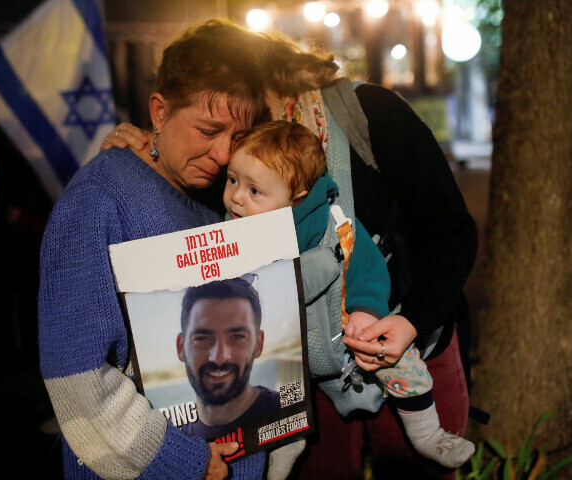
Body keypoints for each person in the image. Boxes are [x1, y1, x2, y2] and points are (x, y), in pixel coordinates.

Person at [103, 19, 477, 480]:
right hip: (303, 367)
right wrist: (143, 147)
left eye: (236, 116)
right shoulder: (229, 152)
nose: (225, 151)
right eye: (212, 123)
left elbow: (452, 231)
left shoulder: (366, 112)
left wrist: (410, 320)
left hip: (408, 333)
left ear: (262, 77)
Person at [37, 21, 274, 480]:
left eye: (238, 137)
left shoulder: (224, 195)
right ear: (160, 112)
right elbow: (77, 379)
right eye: (208, 130)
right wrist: (182, 461)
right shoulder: (97, 199)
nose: (224, 153)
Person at [224, 120, 474, 468]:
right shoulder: (229, 232)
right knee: (271, 387)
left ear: (296, 196)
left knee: (402, 362)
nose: (236, 196)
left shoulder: (335, 224)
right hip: (286, 345)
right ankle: (284, 445)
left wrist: (366, 311)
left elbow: (367, 270)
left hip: (344, 332)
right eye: (232, 180)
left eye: (254, 191)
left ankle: (428, 434)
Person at [177, 278, 281, 438]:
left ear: (259, 345)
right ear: (180, 348)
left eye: (237, 336)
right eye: (202, 338)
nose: (219, 358)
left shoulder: (290, 406)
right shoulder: (170, 439)